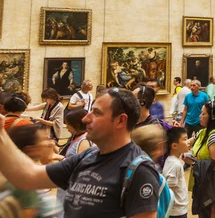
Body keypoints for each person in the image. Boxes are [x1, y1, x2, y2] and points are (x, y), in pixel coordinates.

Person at [0, 87, 161, 217]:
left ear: (121, 120)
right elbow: (28, 177)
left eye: (96, 113)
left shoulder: (139, 170)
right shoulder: (87, 156)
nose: (85, 119)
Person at [8, 124, 63, 217]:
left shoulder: (17, 173)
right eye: (44, 139)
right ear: (31, 149)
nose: (51, 143)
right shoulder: (25, 183)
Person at [186, 101, 215, 217]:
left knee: (209, 213)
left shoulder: (214, 136)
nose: (200, 116)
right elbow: (187, 143)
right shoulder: (202, 132)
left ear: (212, 117)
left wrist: (193, 162)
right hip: (200, 181)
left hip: (208, 184)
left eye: (203, 114)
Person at [57, 109, 93, 217]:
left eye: (68, 124)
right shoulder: (77, 137)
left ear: (76, 124)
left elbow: (80, 165)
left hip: (72, 188)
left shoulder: (84, 141)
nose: (66, 127)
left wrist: (58, 159)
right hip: (66, 185)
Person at [164, 127, 189, 218]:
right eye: (185, 139)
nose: (188, 142)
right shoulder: (174, 164)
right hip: (177, 213)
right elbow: (170, 191)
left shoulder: (173, 161)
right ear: (174, 146)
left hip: (178, 211)